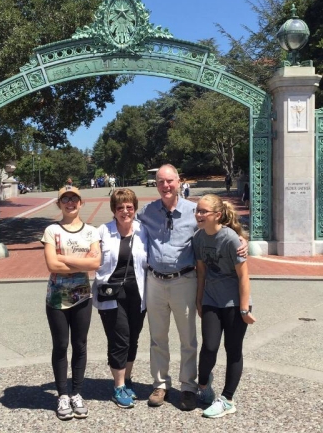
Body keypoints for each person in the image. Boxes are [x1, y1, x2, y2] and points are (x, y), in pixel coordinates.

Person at [137, 164, 248, 411]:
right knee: (157, 337)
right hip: (155, 280)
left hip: (184, 280)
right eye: (160, 182)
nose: (165, 186)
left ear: (179, 181)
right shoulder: (147, 212)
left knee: (188, 338)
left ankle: (188, 386)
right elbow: (125, 225)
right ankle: (160, 384)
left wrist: (242, 239)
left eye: (169, 181)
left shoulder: (194, 211)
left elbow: (221, 224)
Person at [41, 186, 101, 421]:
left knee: (80, 344)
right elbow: (52, 266)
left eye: (74, 199)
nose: (69, 203)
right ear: (59, 204)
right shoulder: (51, 230)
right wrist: (81, 263)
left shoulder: (91, 232)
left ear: (81, 203)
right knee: (61, 345)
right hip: (57, 298)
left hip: (82, 297)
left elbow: (95, 263)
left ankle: (77, 392)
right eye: (64, 199)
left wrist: (64, 257)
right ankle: (63, 394)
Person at [193, 194, 256, 418]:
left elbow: (244, 276)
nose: (198, 215)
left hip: (234, 302)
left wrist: (244, 308)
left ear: (217, 215)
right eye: (197, 211)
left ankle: (228, 399)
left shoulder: (231, 239)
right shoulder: (198, 238)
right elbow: (201, 272)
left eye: (203, 212)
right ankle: (203, 385)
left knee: (233, 349)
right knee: (209, 346)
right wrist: (199, 300)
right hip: (211, 299)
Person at [93, 188, 148, 408]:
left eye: (129, 207)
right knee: (119, 340)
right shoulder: (102, 232)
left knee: (133, 338)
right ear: (113, 210)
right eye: (120, 207)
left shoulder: (143, 230)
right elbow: (86, 252)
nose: (125, 211)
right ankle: (117, 386)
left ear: (134, 208)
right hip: (111, 294)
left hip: (138, 293)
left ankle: (127, 380)